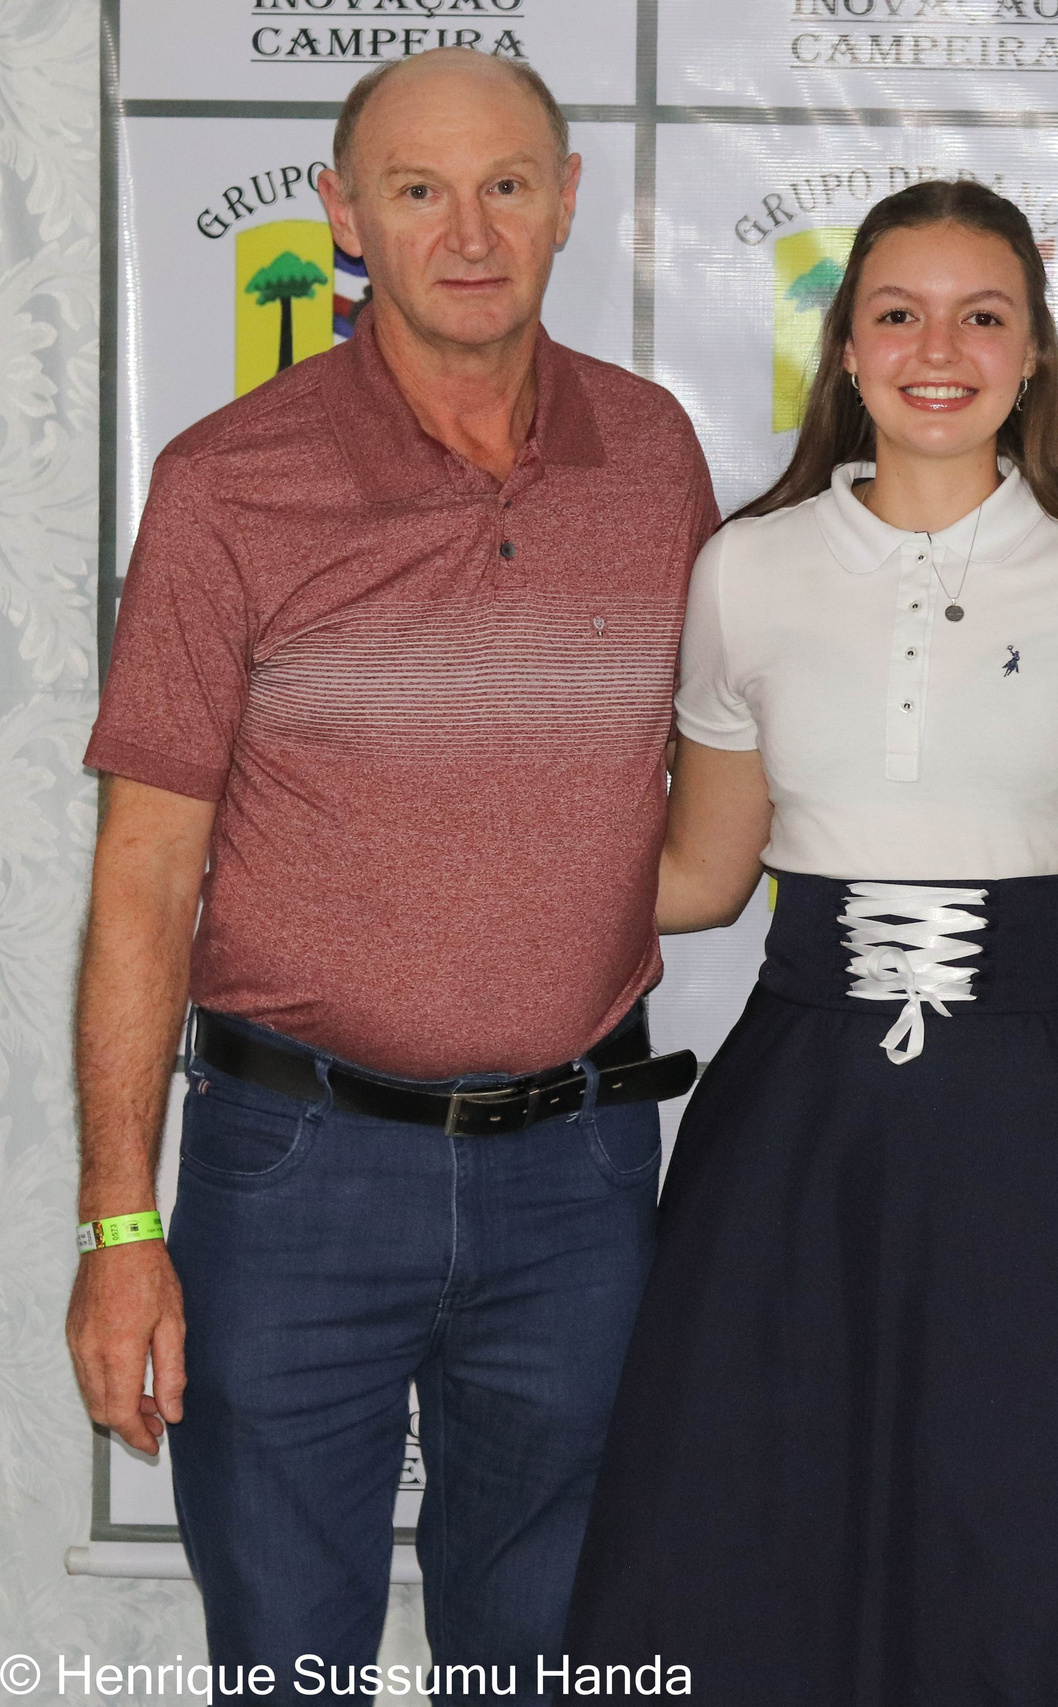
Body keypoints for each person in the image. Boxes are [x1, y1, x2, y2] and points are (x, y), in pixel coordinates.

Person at [563, 179, 1058, 1704]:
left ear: (1035, 356)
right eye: (898, 313)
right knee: (763, 1548)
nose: (939, 347)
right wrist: (457, 874)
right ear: (845, 351)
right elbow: (701, 874)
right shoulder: (748, 569)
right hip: (798, 1133)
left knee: (1042, 1548)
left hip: (1048, 1132)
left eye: (985, 315)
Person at [67, 48, 716, 1692]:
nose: (470, 229)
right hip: (294, 1180)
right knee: (287, 1667)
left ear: (571, 200)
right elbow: (145, 876)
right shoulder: (227, 483)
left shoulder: (656, 461)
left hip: (580, 1182)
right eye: (419, 190)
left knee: (549, 1659)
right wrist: (118, 1228)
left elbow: (748, 776)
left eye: (507, 184)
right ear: (344, 215)